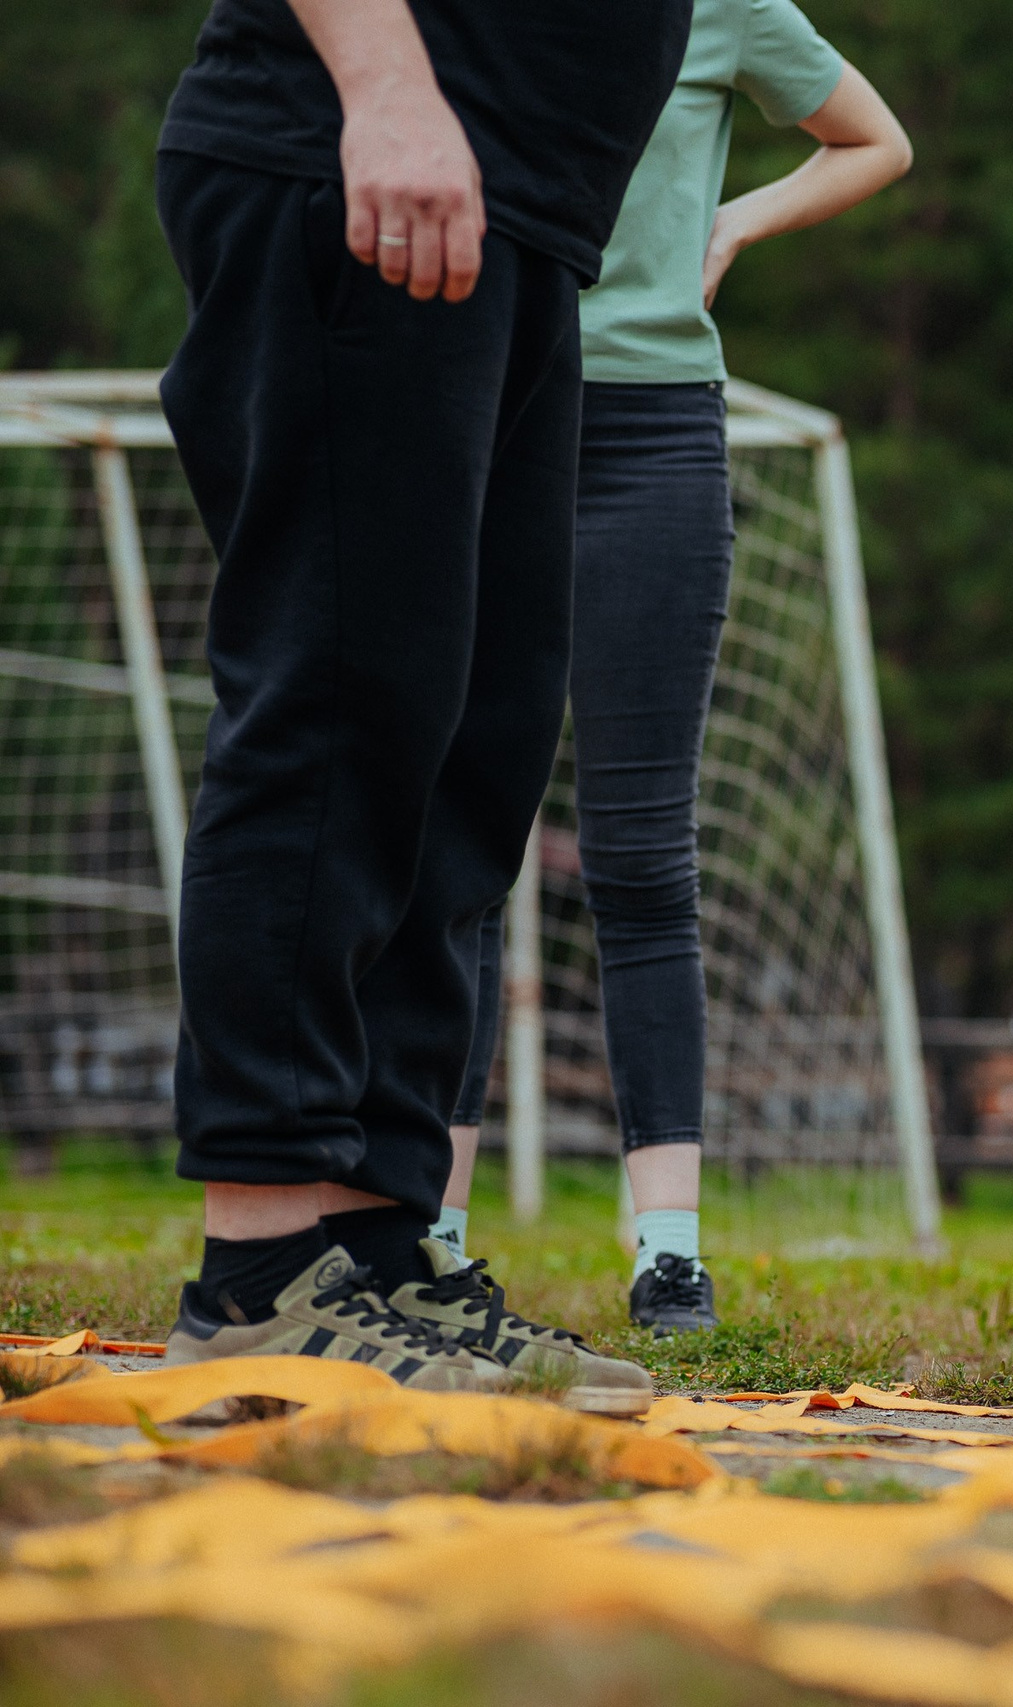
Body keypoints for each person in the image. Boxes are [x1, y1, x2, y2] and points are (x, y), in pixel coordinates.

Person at [153, 0, 687, 1403]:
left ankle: (379, 1249)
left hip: (519, 213)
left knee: (467, 750)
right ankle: (258, 1275)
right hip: (366, 161)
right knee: (339, 713)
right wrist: (386, 88)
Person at [437, 0, 914, 1336]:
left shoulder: (724, 9)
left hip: (653, 438)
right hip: (485, 408)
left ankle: (669, 1252)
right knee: (464, 839)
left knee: (645, 854)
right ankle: (432, 1226)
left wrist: (736, 223)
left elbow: (874, 142)